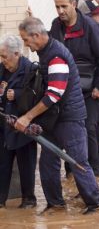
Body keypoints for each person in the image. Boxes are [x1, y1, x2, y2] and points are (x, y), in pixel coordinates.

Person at [16, 17, 99, 214]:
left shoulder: (56, 56)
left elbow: (54, 95)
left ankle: (95, 203)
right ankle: (55, 204)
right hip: (54, 118)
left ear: (36, 36)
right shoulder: (45, 51)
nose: (25, 44)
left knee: (78, 162)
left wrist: (27, 117)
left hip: (69, 118)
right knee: (48, 162)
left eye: (25, 39)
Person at [50, 0, 99, 177]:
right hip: (67, 89)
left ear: (72, 4)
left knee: (89, 129)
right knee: (69, 129)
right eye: (57, 7)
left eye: (63, 6)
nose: (61, 11)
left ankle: (94, 172)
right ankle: (72, 171)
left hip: (91, 89)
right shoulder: (56, 26)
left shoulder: (91, 27)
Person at [0, 35, 37, 209]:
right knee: (2, 164)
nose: (3, 60)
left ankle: (29, 200)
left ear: (16, 54)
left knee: (26, 166)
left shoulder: (30, 70)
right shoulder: (1, 69)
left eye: (4, 56)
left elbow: (38, 97)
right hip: (4, 126)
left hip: (23, 127)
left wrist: (18, 95)